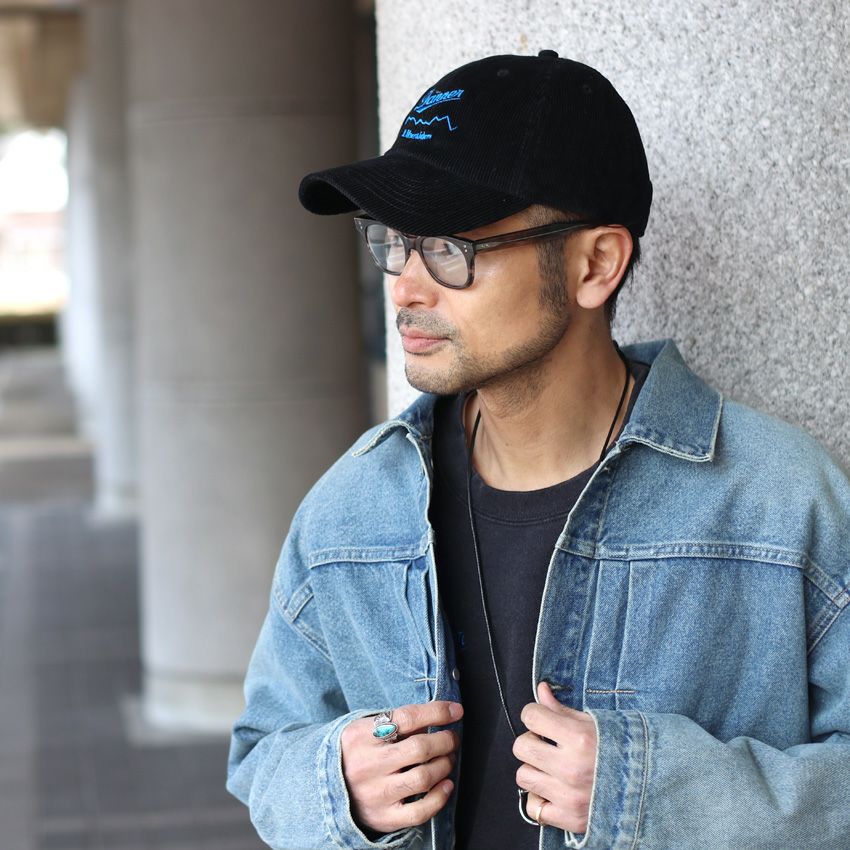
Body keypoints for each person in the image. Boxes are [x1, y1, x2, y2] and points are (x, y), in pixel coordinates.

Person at [226, 51, 850, 850]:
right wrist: (337, 785)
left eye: (449, 248)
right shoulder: (355, 507)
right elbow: (263, 749)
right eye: (394, 241)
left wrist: (655, 793)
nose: (405, 287)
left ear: (596, 265)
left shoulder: (780, 503)